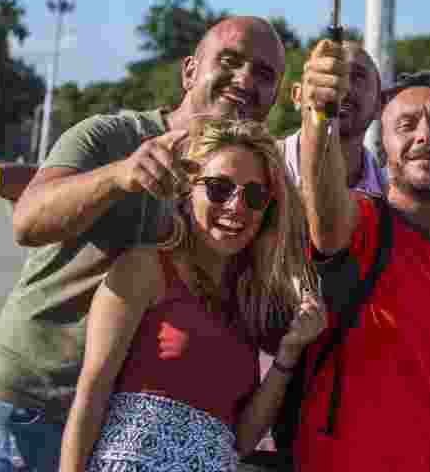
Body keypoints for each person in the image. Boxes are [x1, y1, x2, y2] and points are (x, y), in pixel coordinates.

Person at [0, 16, 287, 472]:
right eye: (230, 61)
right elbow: (31, 218)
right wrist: (120, 175)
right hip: (27, 407)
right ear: (189, 71)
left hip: (117, 431)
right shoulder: (110, 137)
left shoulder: (240, 184)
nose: (245, 79)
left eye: (264, 74)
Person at [59, 118, 326, 472]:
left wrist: (289, 352)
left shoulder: (248, 300)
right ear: (187, 192)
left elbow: (241, 439)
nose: (236, 206)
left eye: (255, 195)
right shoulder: (144, 268)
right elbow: (90, 397)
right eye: (218, 188)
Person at [297, 47, 430, 471]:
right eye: (406, 125)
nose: (425, 136)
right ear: (383, 150)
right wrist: (318, 113)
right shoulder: (359, 222)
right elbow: (324, 207)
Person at [281, 41, 430, 234]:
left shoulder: (400, 189)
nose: (340, 87)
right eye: (325, 76)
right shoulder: (265, 164)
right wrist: (318, 118)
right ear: (298, 94)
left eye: (357, 76)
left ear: (381, 103)